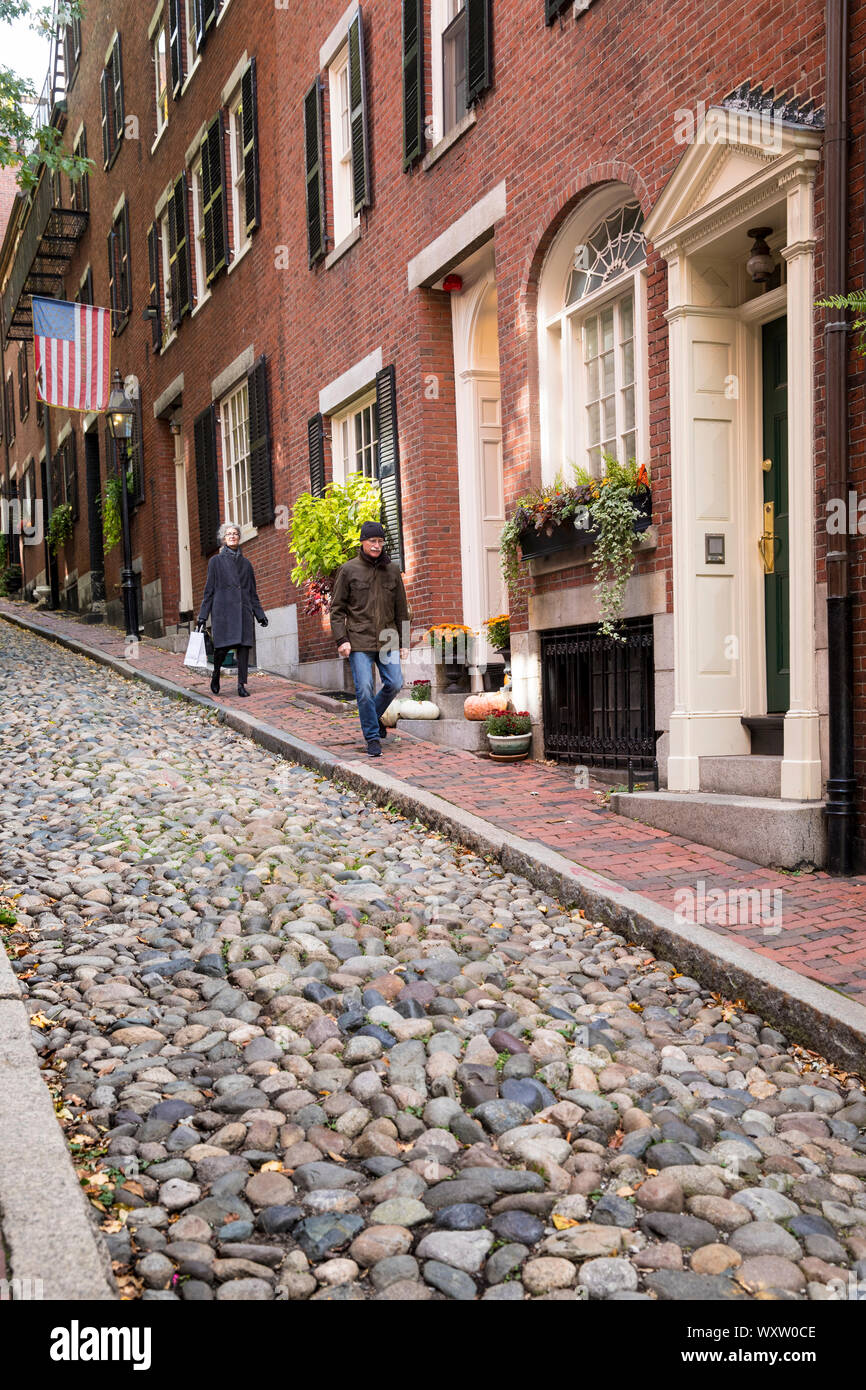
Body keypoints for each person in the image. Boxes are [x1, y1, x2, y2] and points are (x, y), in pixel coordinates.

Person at [330, 520, 410, 756]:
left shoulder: (392, 570)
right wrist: (341, 639)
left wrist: (404, 642)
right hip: (358, 641)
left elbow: (401, 610)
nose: (377, 546)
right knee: (364, 688)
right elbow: (337, 609)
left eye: (380, 541)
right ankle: (373, 738)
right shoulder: (349, 570)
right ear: (363, 542)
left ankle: (372, 718)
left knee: (395, 682)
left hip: (388, 639)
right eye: (372, 541)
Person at [196, 522, 268, 698]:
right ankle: (216, 674)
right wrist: (203, 616)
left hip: (243, 612)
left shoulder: (247, 564)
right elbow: (209, 591)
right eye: (229, 534)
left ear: (239, 537)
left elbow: (252, 593)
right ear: (224, 539)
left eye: (235, 533)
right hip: (223, 613)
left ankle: (241, 684)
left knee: (243, 649)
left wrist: (260, 615)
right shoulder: (215, 562)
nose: (233, 536)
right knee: (221, 649)